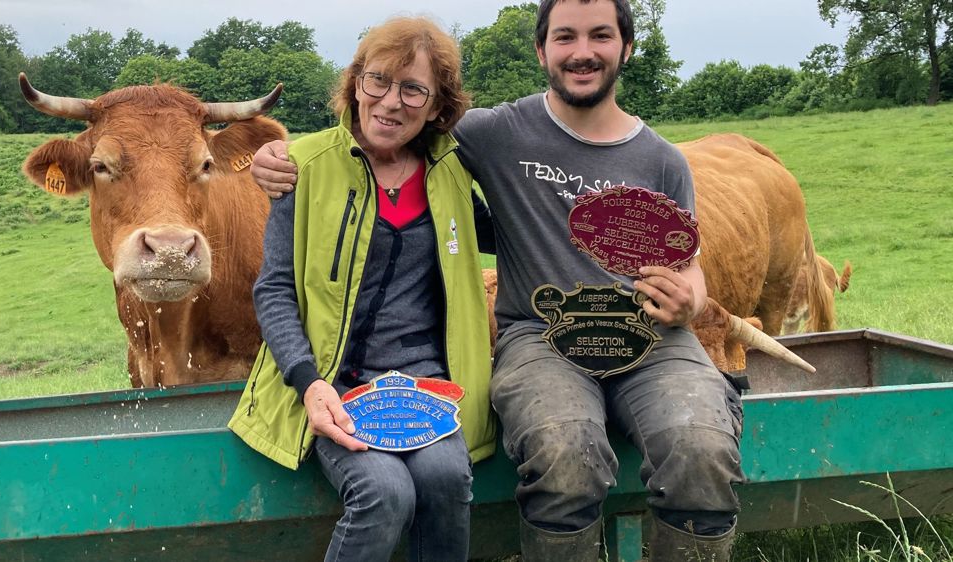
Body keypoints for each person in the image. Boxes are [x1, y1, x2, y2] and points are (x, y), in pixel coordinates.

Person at [250, 1, 745, 560]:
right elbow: (382, 130)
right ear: (542, 50)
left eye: (601, 35)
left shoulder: (663, 160)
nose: (582, 52)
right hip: (542, 335)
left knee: (702, 449)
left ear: (626, 47)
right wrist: (272, 157)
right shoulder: (493, 133)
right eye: (565, 36)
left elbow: (688, 262)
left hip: (652, 340)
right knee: (563, 453)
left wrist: (691, 299)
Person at [227, 16, 497, 562]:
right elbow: (274, 289)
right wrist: (308, 382)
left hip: (426, 387)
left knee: (447, 477)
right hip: (337, 384)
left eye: (413, 89)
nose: (390, 102)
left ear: (437, 106)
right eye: (378, 80)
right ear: (355, 83)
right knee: (384, 492)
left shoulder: (451, 171)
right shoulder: (303, 167)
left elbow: (513, 233)